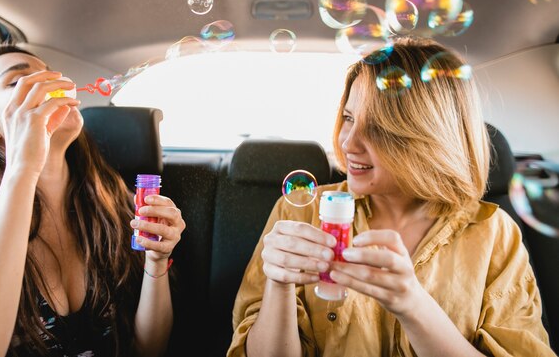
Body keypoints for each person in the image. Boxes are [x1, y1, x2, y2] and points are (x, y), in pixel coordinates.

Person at [228, 37, 555, 356]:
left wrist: (412, 305)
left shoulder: (494, 233)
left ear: (428, 137)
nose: (348, 143)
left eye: (377, 128)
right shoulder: (299, 211)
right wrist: (279, 284)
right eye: (348, 118)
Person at [0, 45, 186, 357]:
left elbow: (148, 349)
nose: (48, 86)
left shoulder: (115, 203)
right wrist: (23, 167)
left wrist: (156, 260)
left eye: (49, 75)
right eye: (17, 82)